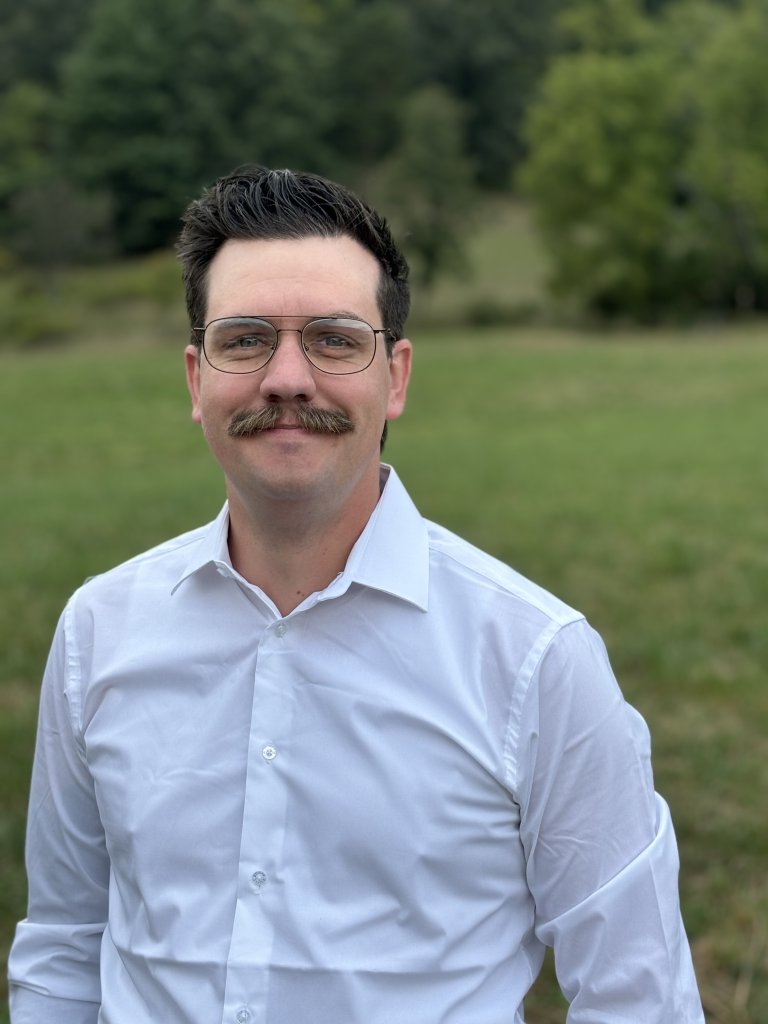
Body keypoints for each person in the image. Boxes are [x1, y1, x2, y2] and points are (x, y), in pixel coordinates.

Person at [8, 166, 704, 1024]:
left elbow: (638, 997)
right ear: (196, 379)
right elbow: (65, 944)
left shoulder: (536, 660)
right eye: (244, 339)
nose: (287, 378)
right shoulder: (99, 631)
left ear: (395, 377)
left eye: (334, 340)